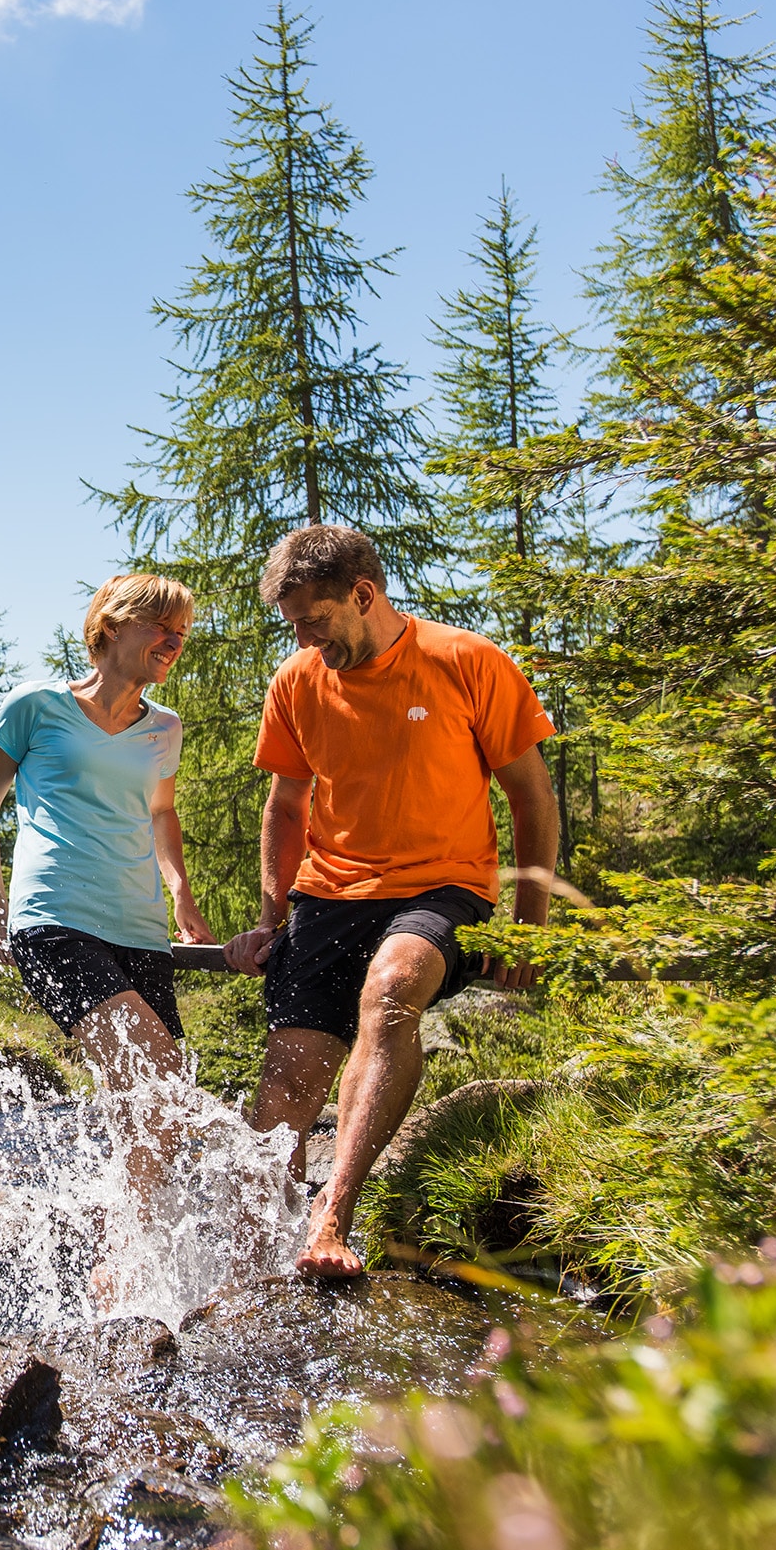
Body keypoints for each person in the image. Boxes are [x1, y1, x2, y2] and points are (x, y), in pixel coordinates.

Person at [224, 524, 560, 1278]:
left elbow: (532, 800)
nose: (305, 637)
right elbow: (285, 807)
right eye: (294, 626)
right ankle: (244, 1253)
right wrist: (270, 919)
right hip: (327, 894)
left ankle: (331, 1213)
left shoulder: (466, 661)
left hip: (442, 887)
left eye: (315, 619)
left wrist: (529, 931)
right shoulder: (296, 680)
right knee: (287, 1076)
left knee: (391, 989)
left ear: (363, 594)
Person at [0, 573, 215, 1204]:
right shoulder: (36, 706)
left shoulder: (166, 727)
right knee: (155, 1072)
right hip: (55, 917)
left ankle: (120, 1257)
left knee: (154, 1106)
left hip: (141, 926)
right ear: (110, 627)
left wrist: (181, 894)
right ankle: (104, 1247)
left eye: (181, 630)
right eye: (161, 625)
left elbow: (161, 813)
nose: (174, 638)